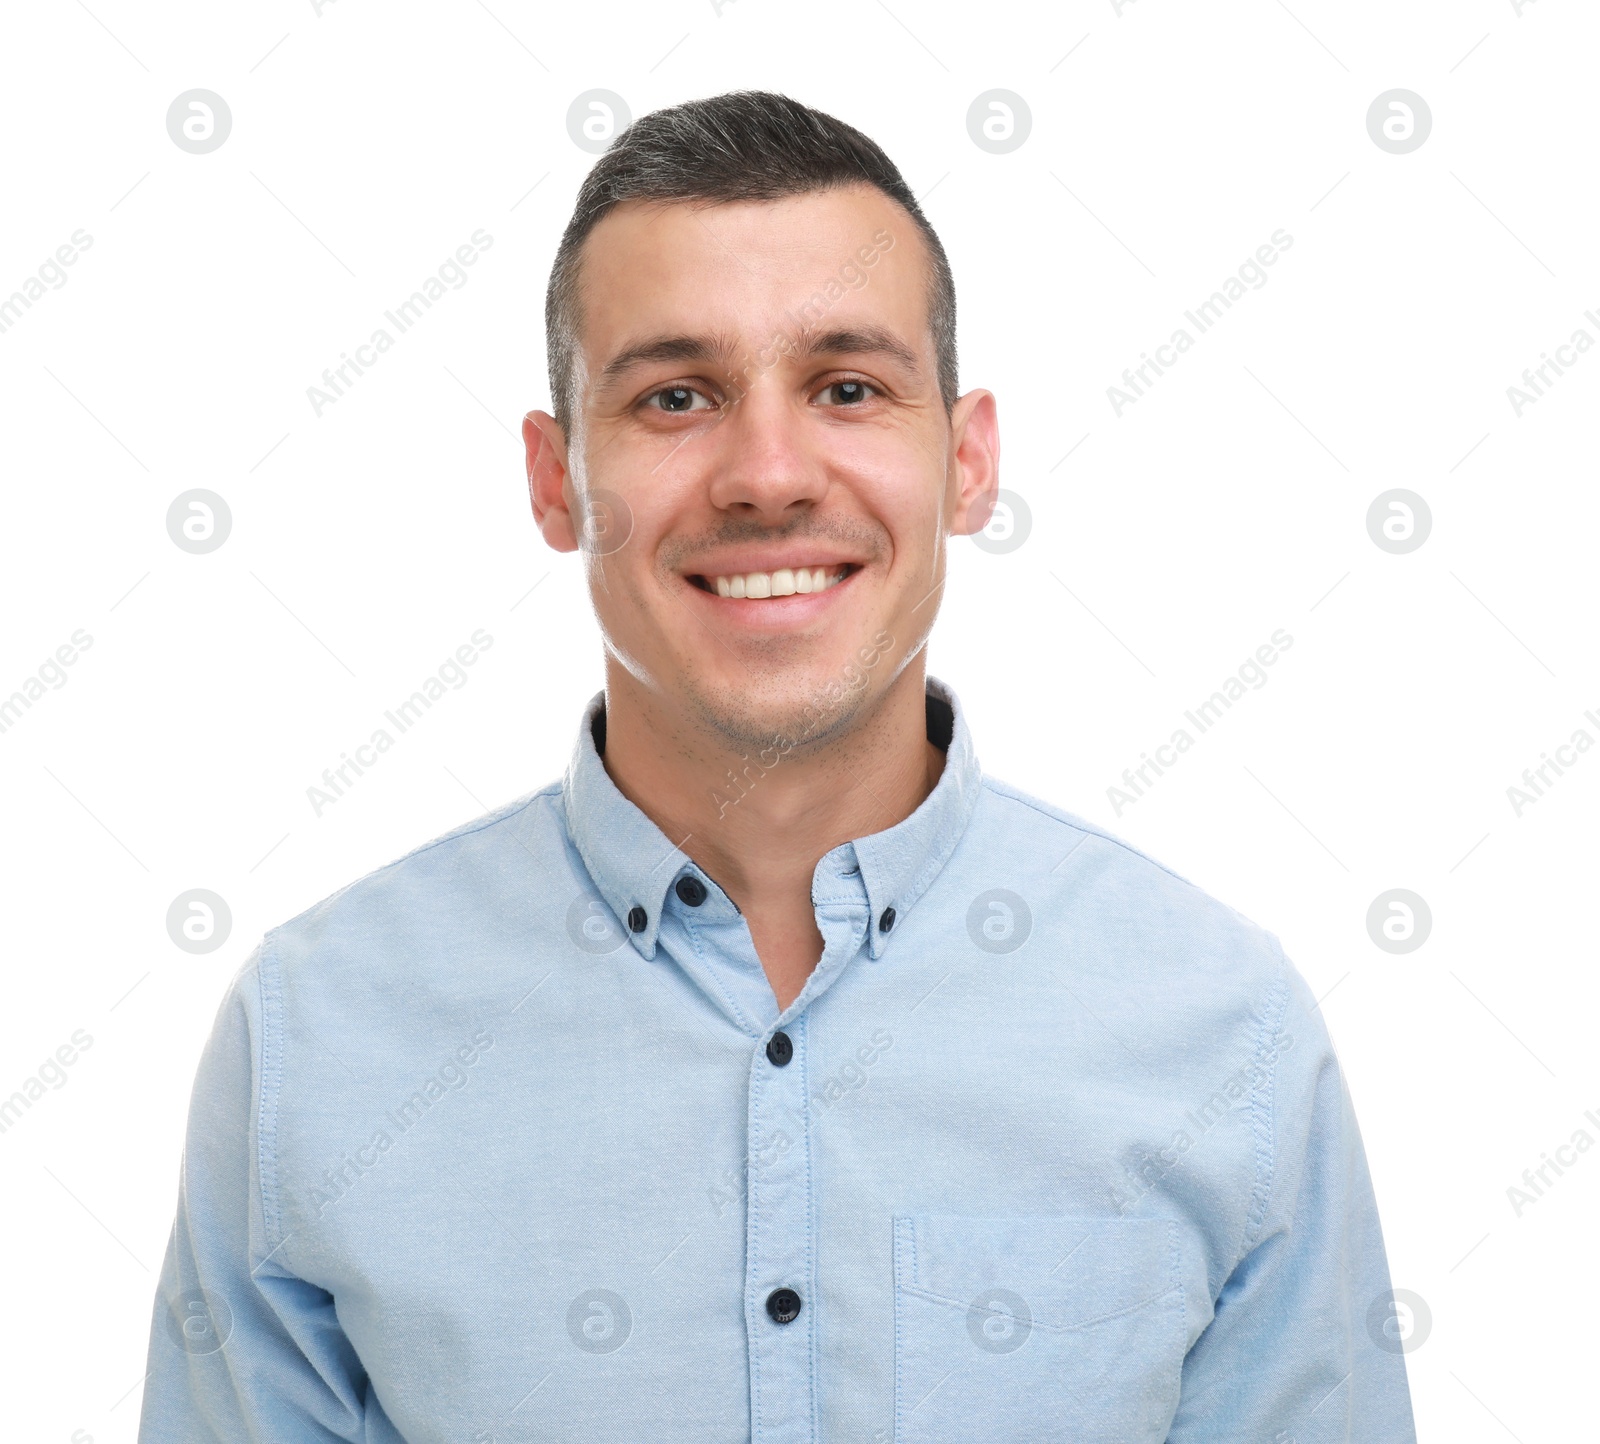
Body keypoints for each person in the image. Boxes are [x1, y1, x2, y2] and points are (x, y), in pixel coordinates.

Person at [139, 90, 1417, 1442]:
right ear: (556, 477)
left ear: (968, 459)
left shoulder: (1222, 1027)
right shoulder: (319, 1037)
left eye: (848, 387)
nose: (766, 474)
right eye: (676, 395)